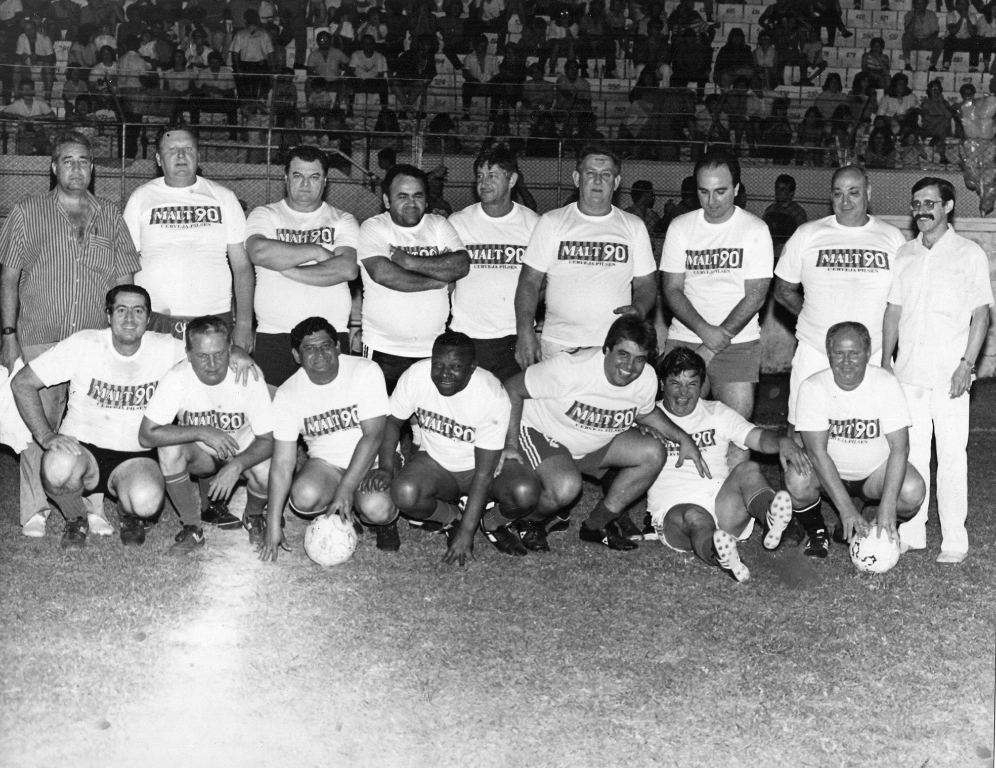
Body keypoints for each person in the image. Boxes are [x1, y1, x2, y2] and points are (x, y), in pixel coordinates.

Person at [0, 131, 141, 538]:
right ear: (53, 166)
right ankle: (36, 508)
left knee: (92, 421)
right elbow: (8, 278)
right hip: (39, 334)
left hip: (95, 340)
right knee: (36, 422)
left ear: (93, 168)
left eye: (84, 161)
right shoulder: (27, 212)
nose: (76, 168)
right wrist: (9, 333)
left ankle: (91, 505)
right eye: (68, 160)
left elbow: (124, 280)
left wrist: (121, 338)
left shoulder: (110, 214)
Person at [773, 166, 907, 554]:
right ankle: (805, 520)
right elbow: (783, 290)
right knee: (801, 439)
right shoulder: (809, 233)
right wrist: (813, 322)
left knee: (871, 438)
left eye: (853, 192)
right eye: (837, 193)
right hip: (817, 350)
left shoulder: (892, 237)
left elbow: (901, 299)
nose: (845, 200)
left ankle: (860, 505)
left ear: (869, 191)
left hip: (873, 354)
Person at [502, 315, 709, 553]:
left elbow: (646, 413)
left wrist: (683, 437)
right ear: (606, 349)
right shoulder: (569, 368)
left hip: (592, 440)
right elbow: (512, 388)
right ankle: (530, 520)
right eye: (623, 354)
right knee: (567, 487)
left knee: (653, 451)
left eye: (639, 359)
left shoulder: (647, 378)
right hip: (543, 432)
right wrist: (510, 444)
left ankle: (596, 525)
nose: (630, 367)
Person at [9, 287, 176, 547]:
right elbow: (22, 383)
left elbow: (207, 355)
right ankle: (76, 517)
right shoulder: (85, 343)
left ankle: (129, 514)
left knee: (147, 502)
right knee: (56, 467)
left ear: (148, 317)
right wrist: (45, 435)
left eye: (138, 311)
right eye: (121, 310)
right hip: (83, 450)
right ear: (108, 316)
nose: (129, 319)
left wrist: (236, 354)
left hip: (136, 454)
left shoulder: (166, 348)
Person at [882, 178, 993, 563]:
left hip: (951, 376)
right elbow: (893, 310)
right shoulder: (904, 255)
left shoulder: (969, 254)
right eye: (916, 203)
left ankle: (954, 541)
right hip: (908, 373)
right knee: (910, 455)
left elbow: (981, 314)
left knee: (950, 456)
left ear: (948, 207)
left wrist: (968, 365)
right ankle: (913, 532)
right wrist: (885, 361)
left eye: (930, 203)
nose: (922, 210)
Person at [646, 348, 809, 582]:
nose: (683, 392)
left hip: (723, 506)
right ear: (662, 385)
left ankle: (771, 517)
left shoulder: (716, 412)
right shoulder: (650, 416)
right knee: (695, 515)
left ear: (702, 385)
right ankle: (720, 555)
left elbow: (758, 437)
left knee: (748, 469)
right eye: (675, 383)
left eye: (692, 384)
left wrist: (781, 441)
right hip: (674, 512)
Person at [375, 331, 536, 563]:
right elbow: (392, 421)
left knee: (525, 492)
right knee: (405, 493)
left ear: (472, 367)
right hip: (436, 463)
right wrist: (387, 466)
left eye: (455, 367)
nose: (444, 374)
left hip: (479, 468)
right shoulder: (416, 376)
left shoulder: (490, 394)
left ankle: (490, 522)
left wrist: (467, 533)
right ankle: (452, 517)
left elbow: (484, 473)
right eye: (438, 365)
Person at [660, 149, 774, 463]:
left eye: (721, 191)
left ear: (737, 188)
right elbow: (671, 289)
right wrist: (704, 333)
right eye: (704, 191)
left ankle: (735, 510)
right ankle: (665, 508)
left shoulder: (755, 229)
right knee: (673, 431)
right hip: (685, 339)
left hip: (737, 344)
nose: (713, 201)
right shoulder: (681, 227)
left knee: (736, 439)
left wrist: (715, 341)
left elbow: (756, 296)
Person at [258, 317, 397, 560]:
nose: (320, 354)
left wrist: (345, 488)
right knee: (303, 497)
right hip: (326, 465)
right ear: (296, 355)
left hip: (371, 462)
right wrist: (272, 524)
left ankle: (377, 519)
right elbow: (282, 463)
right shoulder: (288, 394)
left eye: (325, 346)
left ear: (338, 347)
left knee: (377, 509)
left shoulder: (364, 370)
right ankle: (346, 509)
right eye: (309, 349)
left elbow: (374, 436)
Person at [139, 316, 274, 555]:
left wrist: (236, 466)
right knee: (169, 448)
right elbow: (147, 435)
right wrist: (203, 431)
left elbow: (268, 440)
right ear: (188, 354)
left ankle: (253, 515)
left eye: (219, 354)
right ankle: (192, 527)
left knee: (269, 467)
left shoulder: (248, 376)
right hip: (203, 455)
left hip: (244, 453)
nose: (212, 364)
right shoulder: (177, 378)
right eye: (202, 356)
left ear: (231, 350)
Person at [514, 145, 657, 368]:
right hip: (559, 345)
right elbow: (529, 282)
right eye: (590, 173)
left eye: (606, 175)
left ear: (617, 182)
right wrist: (525, 333)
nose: (598, 181)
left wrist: (639, 308)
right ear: (576, 178)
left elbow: (646, 283)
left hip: (613, 346)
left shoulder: (634, 226)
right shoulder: (552, 222)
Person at [790, 322, 926, 555]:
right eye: (838, 354)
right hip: (830, 475)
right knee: (796, 479)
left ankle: (873, 531)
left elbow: (899, 448)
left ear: (867, 353)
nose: (846, 362)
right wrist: (845, 509)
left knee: (912, 491)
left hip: (874, 475)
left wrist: (888, 504)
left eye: (854, 353)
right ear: (828, 355)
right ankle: (818, 532)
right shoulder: (813, 387)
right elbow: (816, 453)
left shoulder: (885, 383)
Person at [123, 124, 254, 352]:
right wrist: (127, 318)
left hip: (214, 321)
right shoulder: (140, 198)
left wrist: (243, 323)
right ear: (158, 158)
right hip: (155, 321)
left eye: (188, 149)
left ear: (198, 155)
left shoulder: (223, 197)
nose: (181, 155)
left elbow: (242, 266)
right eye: (172, 150)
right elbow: (125, 264)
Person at [245, 145, 359, 389]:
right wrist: (317, 251)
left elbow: (347, 269)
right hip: (275, 334)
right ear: (286, 178)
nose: (305, 184)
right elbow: (259, 251)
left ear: (325, 181)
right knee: (274, 417)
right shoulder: (265, 214)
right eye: (298, 175)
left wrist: (288, 268)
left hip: (331, 334)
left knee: (329, 417)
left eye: (314, 176)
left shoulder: (343, 219)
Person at [356, 164, 469, 393]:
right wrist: (437, 280)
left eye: (418, 196)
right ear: (387, 200)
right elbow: (384, 274)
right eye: (402, 196)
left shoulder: (438, 225)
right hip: (383, 349)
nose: (411, 203)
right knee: (382, 422)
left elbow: (461, 264)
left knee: (424, 425)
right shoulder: (374, 227)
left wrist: (409, 262)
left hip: (432, 349)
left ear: (426, 200)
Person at [448, 143, 539, 383]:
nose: (484, 182)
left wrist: (525, 323)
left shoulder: (534, 224)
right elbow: (448, 280)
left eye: (492, 175)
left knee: (512, 408)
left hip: (514, 336)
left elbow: (545, 280)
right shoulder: (458, 222)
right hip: (467, 334)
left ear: (512, 180)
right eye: (479, 176)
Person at [956, 77, 996, 214]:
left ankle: (985, 206)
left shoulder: (988, 103)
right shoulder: (968, 107)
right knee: (974, 176)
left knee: (988, 178)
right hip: (972, 143)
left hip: (989, 143)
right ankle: (984, 203)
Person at [902, 0, 944, 71]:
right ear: (913, 4)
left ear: (926, 4)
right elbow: (908, 31)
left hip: (927, 41)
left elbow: (935, 32)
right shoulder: (909, 14)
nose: (918, 5)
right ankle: (907, 64)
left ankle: (932, 65)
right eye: (916, 3)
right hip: (914, 41)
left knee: (939, 41)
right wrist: (915, 15)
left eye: (921, 3)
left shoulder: (931, 14)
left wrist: (927, 40)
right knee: (906, 36)